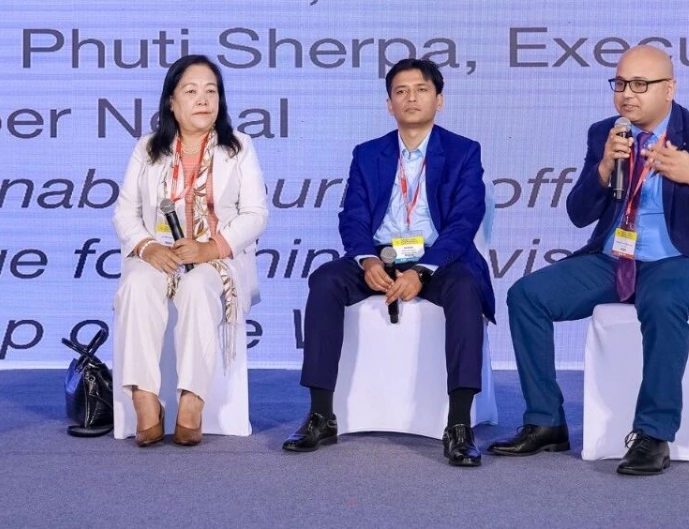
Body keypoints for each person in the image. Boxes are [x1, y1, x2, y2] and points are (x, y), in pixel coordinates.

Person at [490, 45, 689, 475]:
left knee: (662, 301)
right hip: (617, 259)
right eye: (620, 83)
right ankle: (545, 420)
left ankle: (653, 434)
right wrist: (602, 169)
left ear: (669, 89)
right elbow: (579, 214)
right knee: (526, 296)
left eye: (640, 84)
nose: (627, 94)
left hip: (685, 260)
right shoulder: (607, 133)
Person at [282, 58, 494, 467]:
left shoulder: (464, 151)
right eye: (401, 91)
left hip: (437, 260)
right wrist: (366, 260)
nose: (411, 98)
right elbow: (353, 216)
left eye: (421, 90)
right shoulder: (368, 154)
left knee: (466, 289)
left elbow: (464, 221)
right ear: (389, 104)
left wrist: (422, 270)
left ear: (439, 99)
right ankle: (321, 415)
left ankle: (458, 424)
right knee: (325, 280)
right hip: (381, 256)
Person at [113, 54, 268, 447]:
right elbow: (125, 213)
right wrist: (146, 245)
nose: (203, 99)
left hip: (216, 256)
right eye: (191, 91)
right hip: (159, 253)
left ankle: (192, 400)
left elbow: (255, 214)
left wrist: (210, 247)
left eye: (211, 91)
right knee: (137, 286)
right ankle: (144, 398)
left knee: (197, 288)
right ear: (172, 101)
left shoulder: (239, 147)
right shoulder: (148, 148)